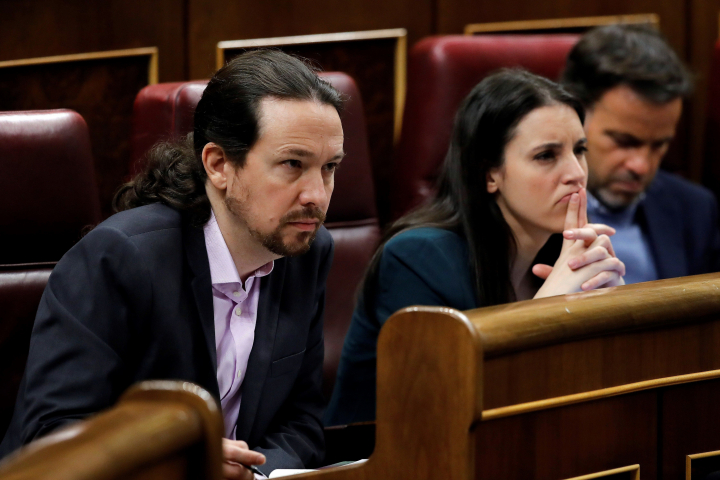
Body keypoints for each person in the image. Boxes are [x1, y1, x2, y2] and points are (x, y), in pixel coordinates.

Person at [1, 50, 345, 479]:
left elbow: (302, 421)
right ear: (219, 165)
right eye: (292, 164)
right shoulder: (118, 259)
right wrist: (183, 465)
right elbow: (54, 433)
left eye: (329, 167)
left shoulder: (307, 251)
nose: (317, 194)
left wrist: (256, 473)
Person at [324, 69, 625, 426]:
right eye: (546, 155)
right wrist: (547, 310)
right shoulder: (417, 259)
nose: (576, 173)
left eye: (580, 150)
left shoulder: (568, 255)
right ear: (490, 173)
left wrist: (613, 310)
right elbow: (439, 410)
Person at [560, 24, 720, 284]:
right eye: (624, 142)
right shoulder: (523, 211)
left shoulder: (697, 211)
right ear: (575, 115)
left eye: (659, 145)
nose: (641, 166)